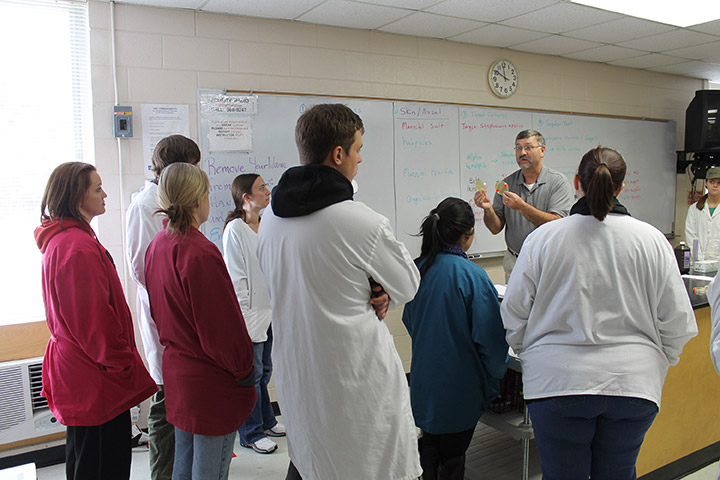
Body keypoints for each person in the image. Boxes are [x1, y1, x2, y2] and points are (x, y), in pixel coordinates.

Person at [501, 147, 698, 480]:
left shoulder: (543, 239)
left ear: (577, 181)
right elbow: (677, 320)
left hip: (557, 384)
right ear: (620, 187)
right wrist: (656, 360)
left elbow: (514, 312)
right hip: (633, 386)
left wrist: (529, 353)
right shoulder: (651, 240)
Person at [256, 103, 422, 480]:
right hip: (355, 382)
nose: (360, 159)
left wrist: (372, 287)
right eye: (358, 149)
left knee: (313, 461)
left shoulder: (270, 220)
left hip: (300, 375)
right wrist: (381, 290)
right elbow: (408, 284)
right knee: (369, 464)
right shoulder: (361, 222)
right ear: (338, 154)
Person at [34, 162, 157, 480]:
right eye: (97, 188)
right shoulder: (76, 248)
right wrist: (122, 363)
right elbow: (94, 325)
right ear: (77, 197)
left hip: (86, 373)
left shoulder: (67, 240)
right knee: (103, 465)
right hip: (95, 378)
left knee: (86, 459)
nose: (104, 194)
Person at [144, 163, 256, 480]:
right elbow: (221, 330)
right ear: (198, 200)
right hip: (209, 381)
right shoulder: (200, 252)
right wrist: (245, 369)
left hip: (179, 373)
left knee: (183, 464)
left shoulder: (158, 245)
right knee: (209, 471)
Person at [402, 197, 509, 480]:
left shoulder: (419, 270)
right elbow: (491, 341)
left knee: (431, 450)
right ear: (467, 235)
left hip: (426, 384)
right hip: (459, 388)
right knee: (453, 457)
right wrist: (499, 372)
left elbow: (410, 322)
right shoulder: (472, 276)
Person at [125, 134, 200, 480]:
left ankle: (181, 467)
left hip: (179, 315)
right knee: (164, 400)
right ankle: (162, 473)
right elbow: (142, 268)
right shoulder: (144, 205)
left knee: (180, 397)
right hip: (162, 314)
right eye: (192, 166)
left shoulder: (171, 202)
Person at [222, 173, 285, 455]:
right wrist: (244, 319)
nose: (267, 191)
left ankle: (267, 421)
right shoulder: (235, 229)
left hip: (271, 310)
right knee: (253, 373)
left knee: (265, 371)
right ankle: (250, 431)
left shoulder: (269, 223)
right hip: (250, 314)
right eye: (261, 188)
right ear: (246, 198)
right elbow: (237, 277)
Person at [474, 129, 573, 282]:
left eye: (528, 147)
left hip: (548, 262)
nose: (522, 153)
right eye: (518, 148)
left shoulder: (558, 182)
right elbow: (495, 228)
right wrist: (488, 210)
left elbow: (558, 223)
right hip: (515, 261)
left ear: (542, 150)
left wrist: (522, 207)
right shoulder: (507, 184)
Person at [685, 166, 720, 261]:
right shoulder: (694, 209)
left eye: (719, 183)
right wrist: (699, 259)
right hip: (698, 261)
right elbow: (691, 236)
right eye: (712, 182)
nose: (715, 185)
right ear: (705, 183)